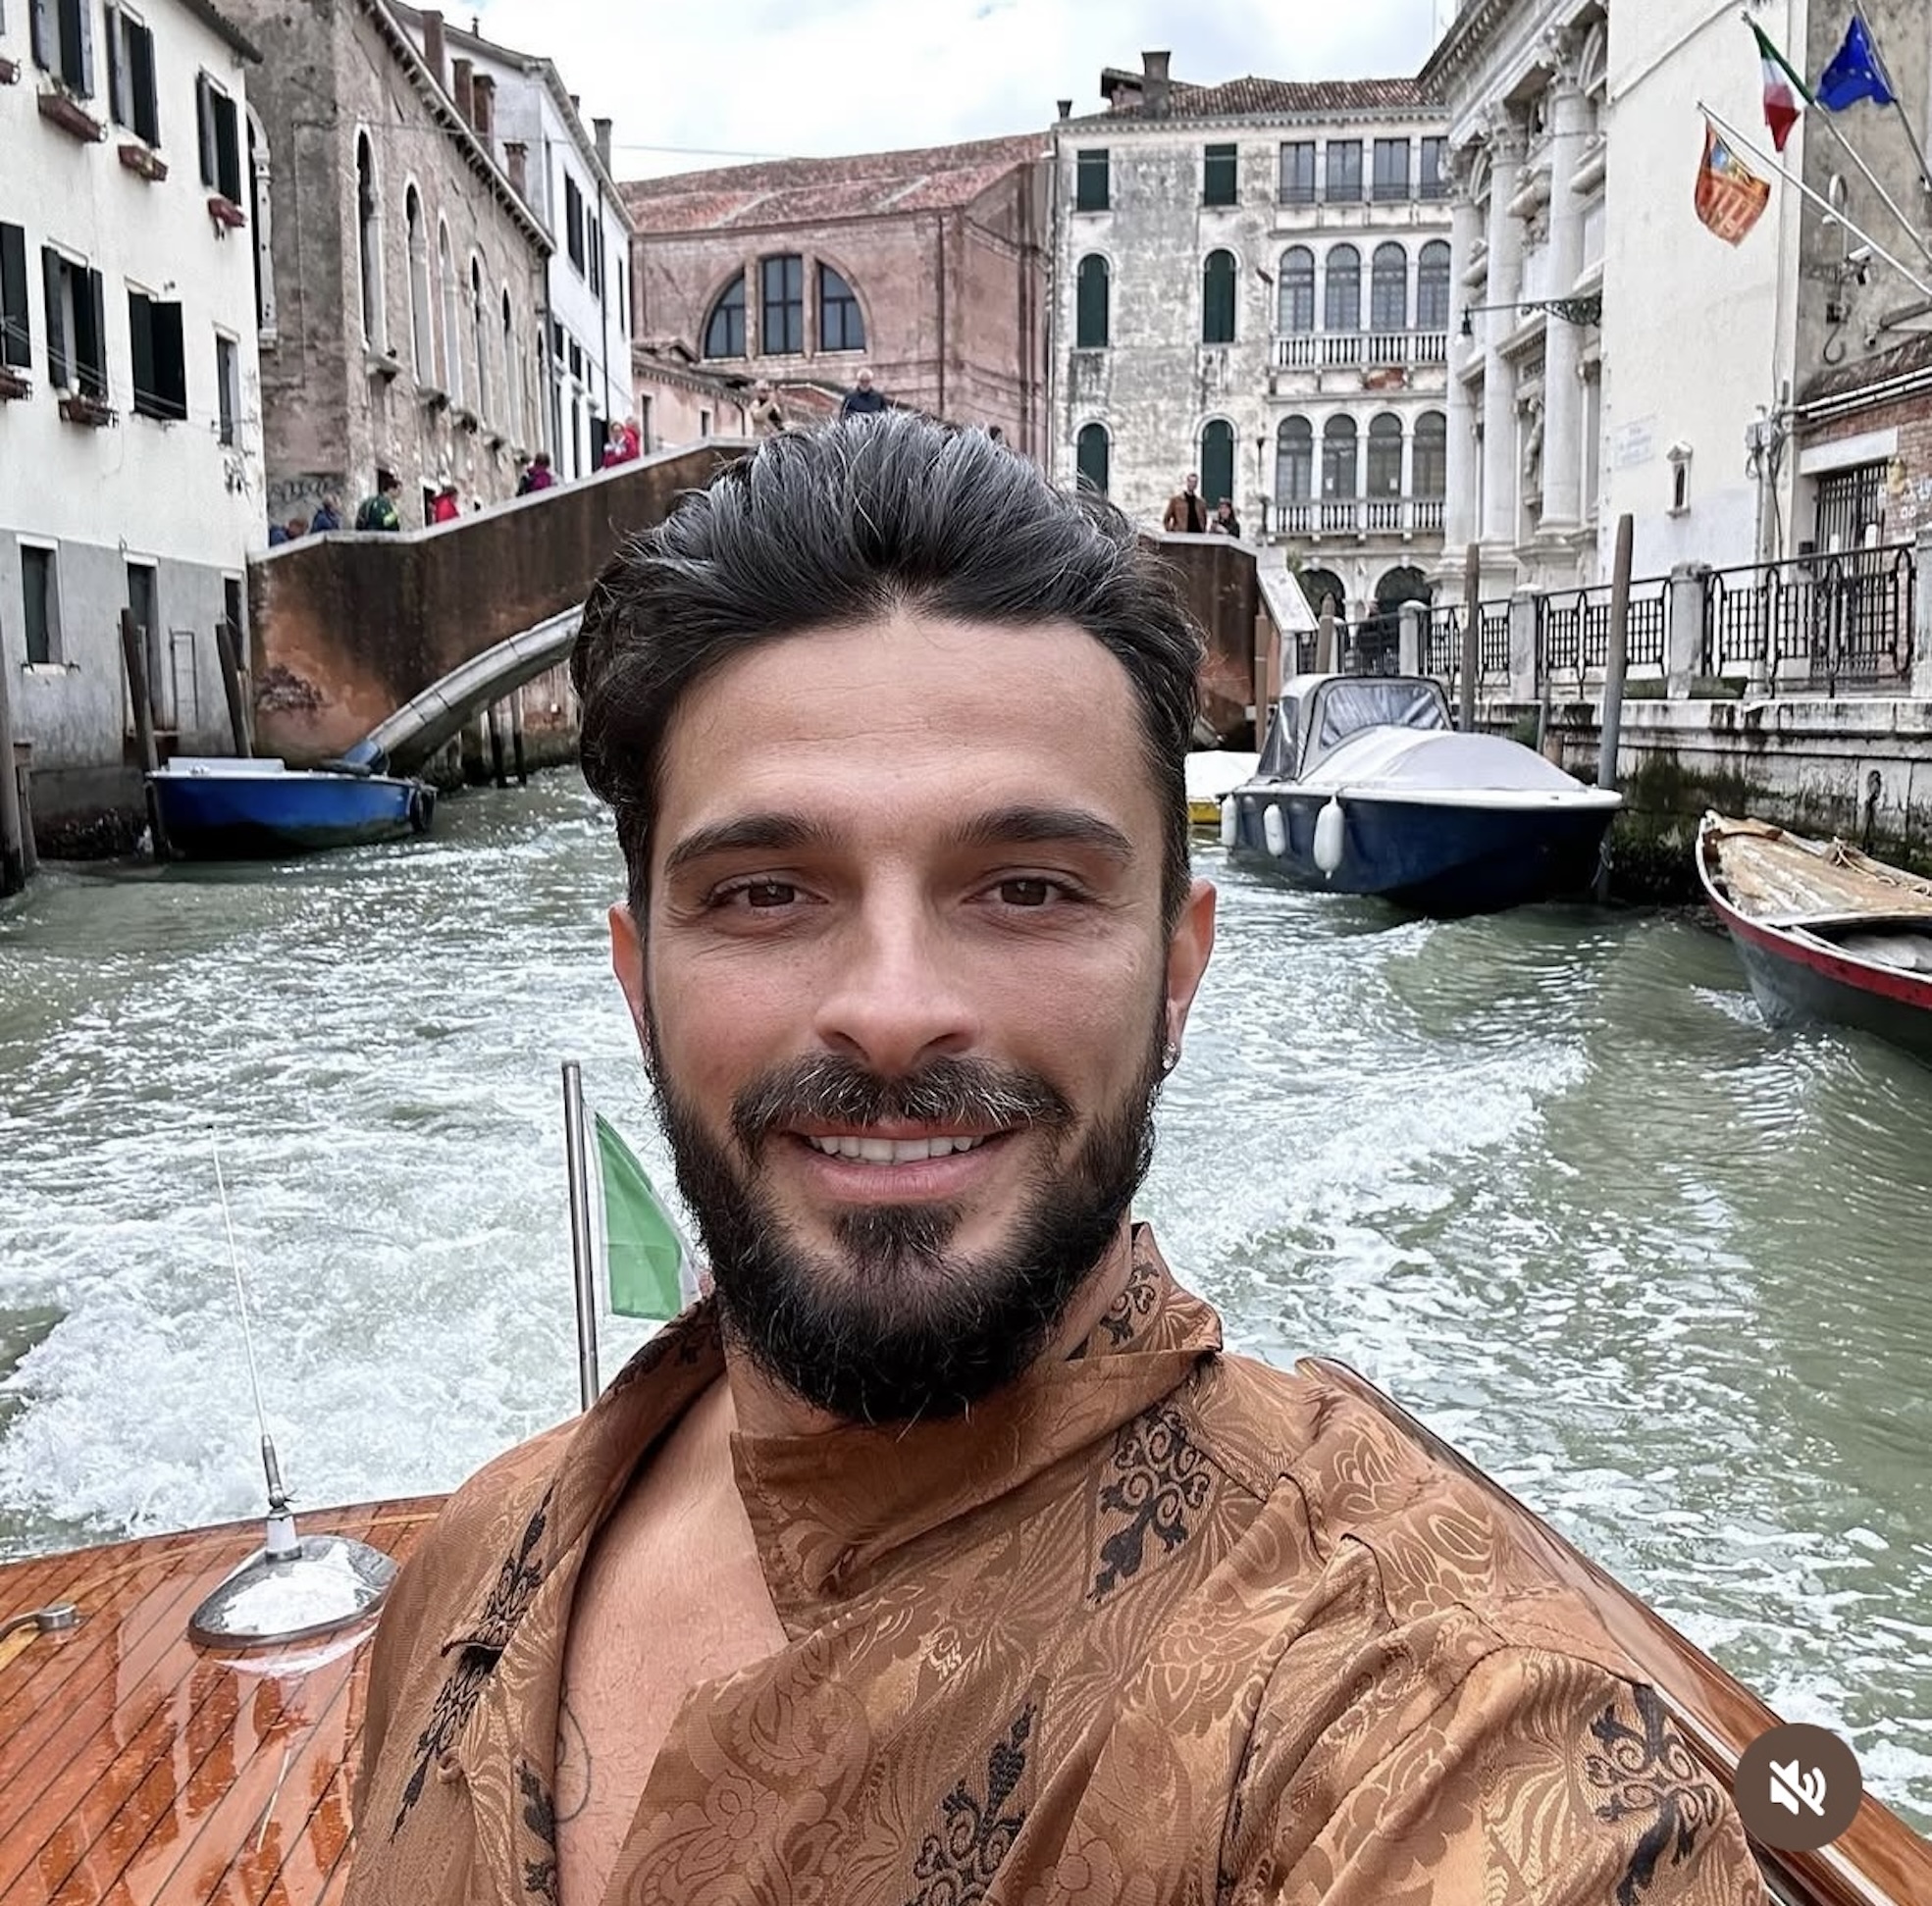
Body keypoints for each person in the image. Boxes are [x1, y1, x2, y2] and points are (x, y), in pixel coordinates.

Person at [347, 414, 1763, 1906]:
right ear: (639, 979)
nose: (893, 1009)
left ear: (1176, 970)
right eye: (764, 892)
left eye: (1025, 888)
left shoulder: (1421, 1706)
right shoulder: (474, 1558)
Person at [1163, 469, 1207, 534]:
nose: (1192, 484)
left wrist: (1203, 531)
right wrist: (1171, 532)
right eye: (1191, 481)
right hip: (1182, 535)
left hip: (1198, 534)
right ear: (1187, 482)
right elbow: (1166, 519)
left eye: (1194, 482)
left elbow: (1204, 520)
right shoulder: (1176, 501)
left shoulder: (1201, 502)